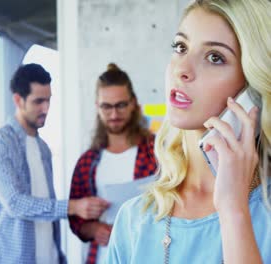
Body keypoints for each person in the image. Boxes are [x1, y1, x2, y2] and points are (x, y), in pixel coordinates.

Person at [105, 0, 271, 263]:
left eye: (215, 57)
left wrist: (234, 210)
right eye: (180, 47)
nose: (181, 70)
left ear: (252, 91)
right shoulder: (133, 219)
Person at [0, 63, 110, 264]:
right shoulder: (0, 144)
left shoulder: (43, 148)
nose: (46, 108)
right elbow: (16, 204)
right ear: (18, 100)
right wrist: (73, 207)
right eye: (38, 101)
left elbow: (45, 210)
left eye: (48, 100)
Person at [69, 63, 157, 264]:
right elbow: (76, 222)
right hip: (101, 256)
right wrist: (93, 229)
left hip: (145, 254)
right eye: (106, 107)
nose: (114, 114)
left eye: (121, 105)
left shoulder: (156, 151)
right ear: (97, 107)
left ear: (133, 103)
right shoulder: (87, 162)